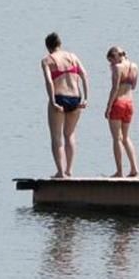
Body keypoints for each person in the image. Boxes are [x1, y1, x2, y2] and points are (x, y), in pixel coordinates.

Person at [41, 32, 89, 178]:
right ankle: (69, 169)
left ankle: (61, 172)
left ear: (48, 47)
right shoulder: (73, 57)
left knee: (56, 137)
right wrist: (86, 98)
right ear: (60, 44)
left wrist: (53, 100)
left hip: (60, 97)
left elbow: (49, 81)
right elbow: (84, 75)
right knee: (70, 135)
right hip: (75, 98)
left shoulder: (47, 60)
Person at [103, 46, 139, 177]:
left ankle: (119, 171)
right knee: (125, 137)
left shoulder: (117, 68)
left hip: (118, 103)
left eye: (111, 61)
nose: (111, 64)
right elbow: (134, 86)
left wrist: (108, 107)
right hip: (129, 103)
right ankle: (134, 168)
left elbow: (114, 88)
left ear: (115, 56)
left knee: (116, 139)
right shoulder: (134, 66)